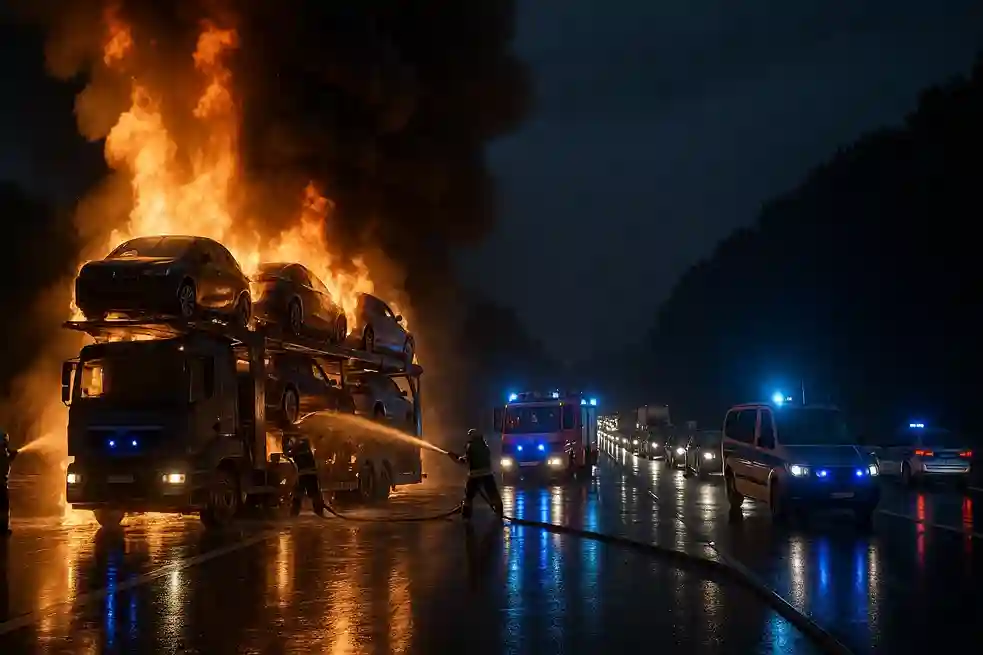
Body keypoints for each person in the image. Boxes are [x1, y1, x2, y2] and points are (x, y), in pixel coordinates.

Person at [447, 429, 503, 520]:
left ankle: (466, 516)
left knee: (468, 497)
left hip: (474, 476)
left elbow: (465, 461)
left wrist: (454, 457)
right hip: (487, 474)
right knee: (493, 494)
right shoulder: (485, 446)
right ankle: (499, 512)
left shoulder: (471, 446)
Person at [283, 434, 326, 517]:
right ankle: (320, 512)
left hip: (304, 475)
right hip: (311, 475)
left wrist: (287, 447)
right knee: (314, 495)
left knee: (298, 495)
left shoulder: (299, 449)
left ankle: (294, 514)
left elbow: (289, 453)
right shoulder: (306, 450)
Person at [1, 432, 18, 536]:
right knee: (3, 507)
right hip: (1, 485)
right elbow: (4, 467)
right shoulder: (3, 455)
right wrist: (11, 457)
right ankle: (3, 529)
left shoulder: (3, 454)